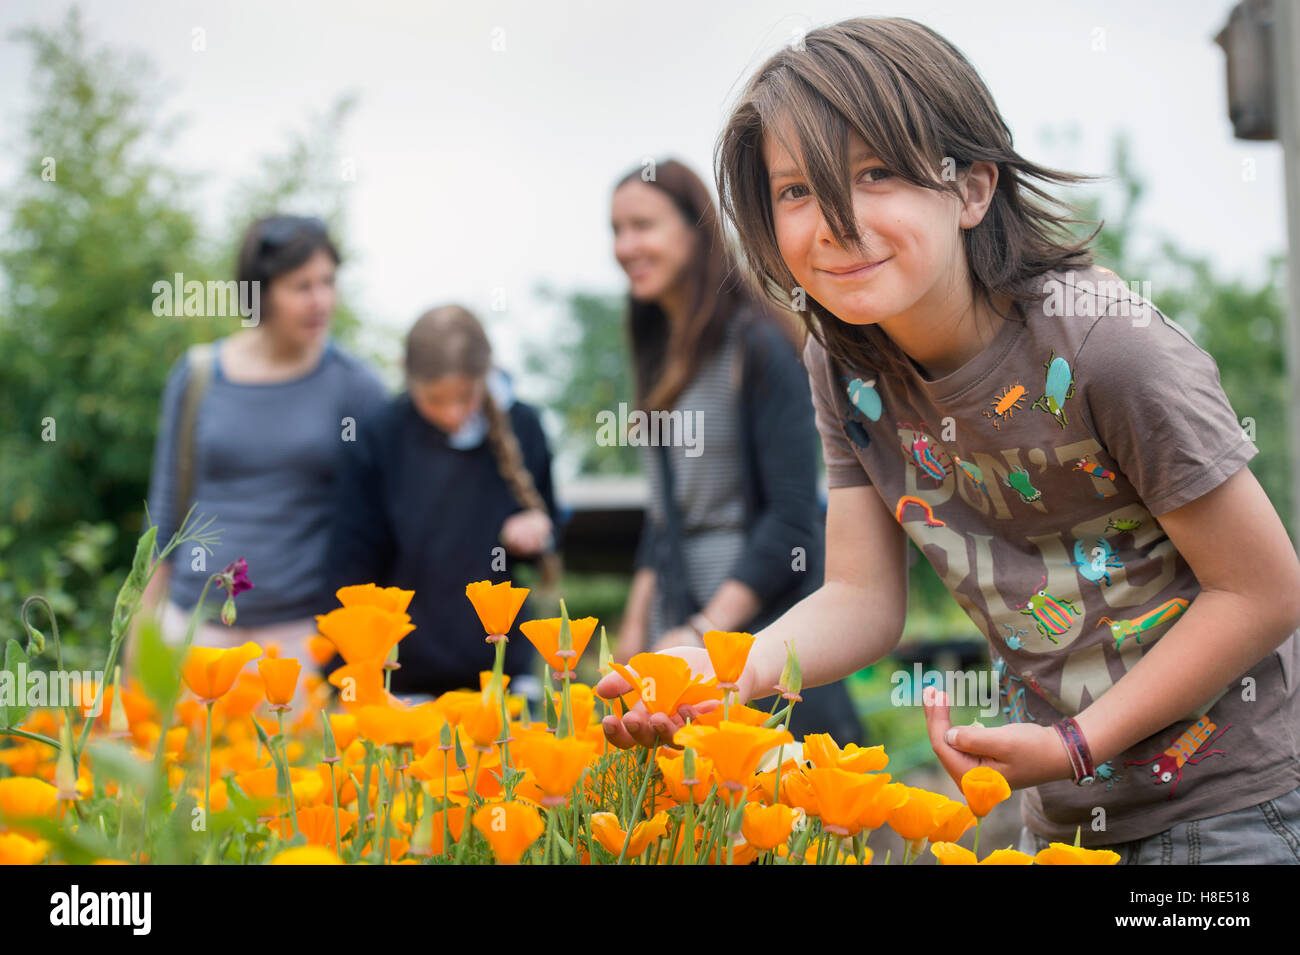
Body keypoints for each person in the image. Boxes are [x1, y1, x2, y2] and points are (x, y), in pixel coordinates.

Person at [597, 16, 1300, 864]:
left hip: (1244, 806)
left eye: (875, 173)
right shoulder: (843, 364)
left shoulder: (1105, 345)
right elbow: (862, 598)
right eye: (795, 191)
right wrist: (726, 670)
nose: (833, 222)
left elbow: (1262, 590)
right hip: (1066, 814)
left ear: (972, 190)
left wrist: (1077, 743)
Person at [610, 158, 862, 745]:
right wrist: (634, 634)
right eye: (616, 230)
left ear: (695, 231)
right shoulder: (659, 359)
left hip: (754, 638)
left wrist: (704, 632)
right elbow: (663, 521)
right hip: (682, 638)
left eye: (642, 225)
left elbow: (794, 519)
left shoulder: (759, 346)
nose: (625, 246)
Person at [135, 215, 388, 686]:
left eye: (329, 282)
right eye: (302, 286)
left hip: (299, 641)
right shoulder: (198, 376)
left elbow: (388, 512)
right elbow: (164, 517)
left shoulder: (355, 386)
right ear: (261, 292)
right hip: (193, 631)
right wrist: (136, 642)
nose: (322, 301)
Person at [326, 305, 560, 702]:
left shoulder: (524, 427)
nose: (452, 413)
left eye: (465, 397)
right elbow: (352, 563)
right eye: (435, 399)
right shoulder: (379, 438)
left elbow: (550, 521)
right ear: (408, 377)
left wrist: (538, 533)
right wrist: (349, 672)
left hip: (501, 674)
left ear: (487, 374)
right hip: (405, 678)